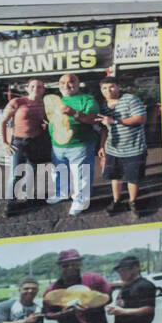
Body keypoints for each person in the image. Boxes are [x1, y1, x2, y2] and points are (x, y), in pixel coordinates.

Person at [45, 73, 105, 216]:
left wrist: (74, 113)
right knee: (59, 171)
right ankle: (61, 193)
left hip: (80, 145)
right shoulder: (56, 100)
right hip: (57, 145)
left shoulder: (87, 99)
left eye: (71, 82)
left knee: (81, 174)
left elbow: (95, 119)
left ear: (78, 84)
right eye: (62, 82)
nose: (66, 85)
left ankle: (81, 201)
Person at [43, 248, 112, 323]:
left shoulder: (95, 280)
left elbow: (107, 298)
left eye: (74, 264)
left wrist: (91, 304)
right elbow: (47, 313)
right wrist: (63, 313)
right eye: (65, 265)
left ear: (79, 264)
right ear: (60, 267)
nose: (70, 267)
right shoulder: (53, 289)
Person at [97, 78, 149, 218]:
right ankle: (116, 201)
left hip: (134, 148)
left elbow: (141, 119)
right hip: (113, 150)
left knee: (133, 178)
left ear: (118, 86)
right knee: (116, 177)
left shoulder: (130, 99)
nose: (108, 90)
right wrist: (102, 145)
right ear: (101, 91)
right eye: (104, 88)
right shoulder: (103, 106)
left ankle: (133, 202)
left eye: (111, 87)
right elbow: (104, 129)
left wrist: (115, 120)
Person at [1, 78, 50, 216]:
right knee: (16, 174)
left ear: (43, 89)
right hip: (18, 142)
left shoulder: (43, 104)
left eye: (40, 86)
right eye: (33, 86)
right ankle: (10, 202)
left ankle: (28, 197)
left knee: (32, 171)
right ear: (27, 88)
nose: (36, 88)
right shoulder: (17, 102)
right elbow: (3, 121)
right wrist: (5, 143)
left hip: (36, 141)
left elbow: (45, 120)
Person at [107, 255, 156, 323]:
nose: (121, 273)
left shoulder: (145, 285)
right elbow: (123, 304)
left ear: (136, 268)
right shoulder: (127, 285)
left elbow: (149, 309)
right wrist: (115, 310)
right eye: (119, 270)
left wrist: (123, 311)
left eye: (124, 270)